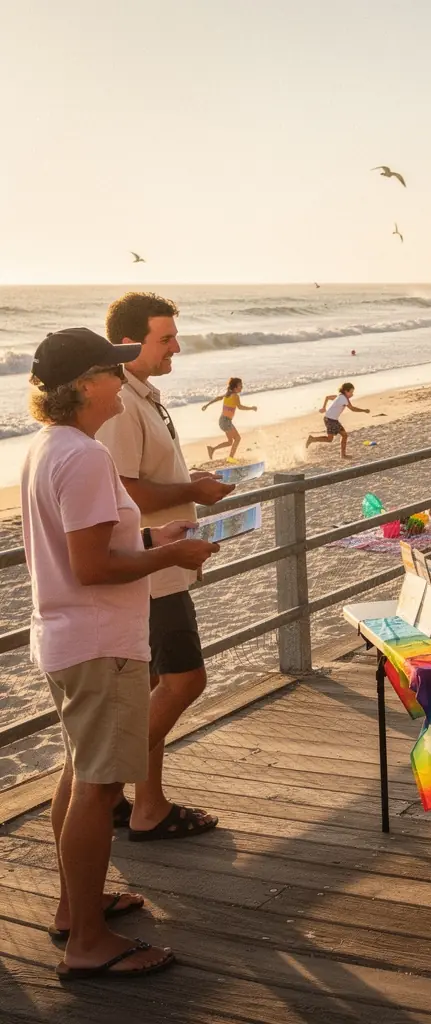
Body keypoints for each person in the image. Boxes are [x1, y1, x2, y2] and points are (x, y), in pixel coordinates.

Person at [23, 327, 218, 979]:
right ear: (83, 387)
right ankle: (88, 942)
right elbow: (91, 565)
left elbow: (90, 536)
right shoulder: (82, 454)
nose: (119, 380)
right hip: (101, 643)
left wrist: (148, 531)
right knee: (99, 787)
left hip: (65, 637)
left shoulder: (50, 447)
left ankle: (72, 909)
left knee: (80, 774)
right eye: (109, 372)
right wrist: (170, 555)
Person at [96, 293, 233, 841]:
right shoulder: (121, 404)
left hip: (163, 564)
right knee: (184, 680)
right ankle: (103, 788)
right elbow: (123, 491)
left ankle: (145, 804)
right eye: (166, 337)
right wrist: (190, 490)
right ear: (129, 342)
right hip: (150, 571)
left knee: (153, 684)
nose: (177, 345)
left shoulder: (141, 395)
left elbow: (146, 474)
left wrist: (188, 482)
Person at [307, 382, 370, 455]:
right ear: (346, 391)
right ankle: (342, 455)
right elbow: (352, 409)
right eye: (351, 392)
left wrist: (324, 407)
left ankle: (312, 439)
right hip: (330, 420)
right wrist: (364, 410)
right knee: (337, 437)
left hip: (330, 419)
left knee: (336, 437)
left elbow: (327, 397)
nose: (352, 394)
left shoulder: (339, 396)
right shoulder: (344, 398)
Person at [203, 377, 257, 462]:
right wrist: (251, 408)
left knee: (230, 442)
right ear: (235, 387)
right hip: (226, 421)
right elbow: (240, 407)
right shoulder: (235, 396)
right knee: (238, 439)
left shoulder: (228, 394)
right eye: (240, 386)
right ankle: (231, 458)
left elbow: (218, 398)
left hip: (223, 421)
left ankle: (212, 449)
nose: (242, 387)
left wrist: (207, 405)